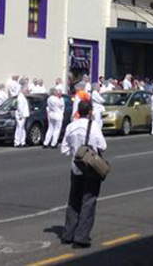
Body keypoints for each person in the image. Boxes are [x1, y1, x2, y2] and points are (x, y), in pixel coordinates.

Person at [60, 101, 107, 249]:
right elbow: (103, 146)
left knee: (74, 200)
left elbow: (64, 149)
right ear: (90, 112)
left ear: (79, 111)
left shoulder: (71, 126)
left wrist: (75, 152)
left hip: (76, 167)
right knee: (88, 201)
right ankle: (81, 237)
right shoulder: (93, 126)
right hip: (91, 168)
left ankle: (68, 233)